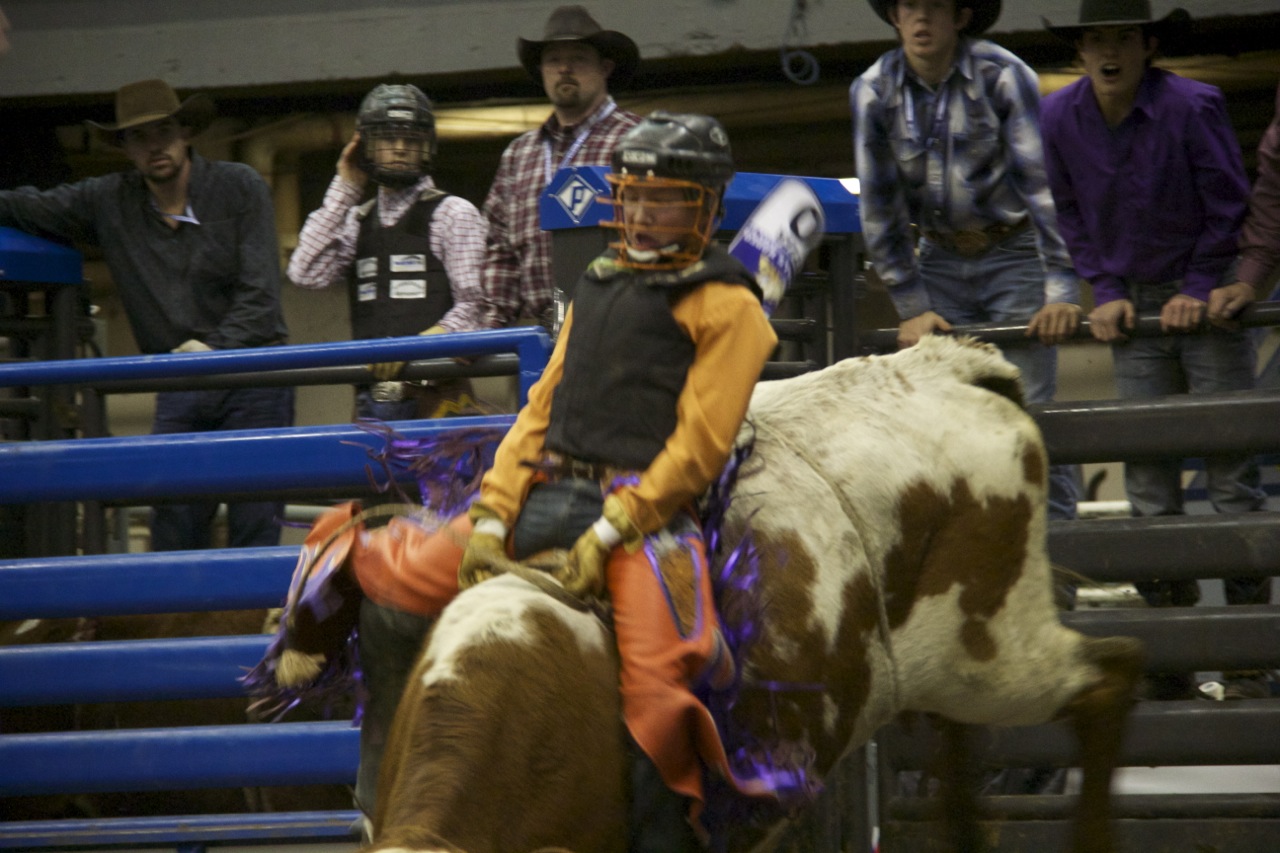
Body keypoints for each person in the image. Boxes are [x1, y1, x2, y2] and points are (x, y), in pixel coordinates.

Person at [334, 112, 777, 848]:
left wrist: (610, 531)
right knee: (383, 592)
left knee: (660, 694)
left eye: (662, 200)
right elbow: (539, 411)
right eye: (633, 196)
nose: (641, 214)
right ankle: (382, 801)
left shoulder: (731, 305)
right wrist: (490, 518)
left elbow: (698, 449)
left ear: (704, 206)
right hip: (547, 490)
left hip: (648, 520)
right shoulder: (597, 282)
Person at [1040, 1, 1270, 697]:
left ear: (1147, 46)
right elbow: (1068, 212)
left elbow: (1228, 203)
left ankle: (1249, 662)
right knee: (1148, 487)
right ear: (1081, 51)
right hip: (1133, 303)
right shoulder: (1058, 118)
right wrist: (1106, 287)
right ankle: (1171, 661)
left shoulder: (1192, 106)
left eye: (1122, 38)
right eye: (1096, 40)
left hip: (1206, 297)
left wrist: (1199, 285)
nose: (1109, 52)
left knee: (1231, 478)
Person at [0, 78, 293, 552]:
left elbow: (262, 295)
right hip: (180, 381)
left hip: (252, 375)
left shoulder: (238, 186)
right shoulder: (110, 199)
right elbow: (29, 206)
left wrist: (214, 348)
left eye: (164, 130)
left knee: (255, 522)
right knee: (173, 524)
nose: (155, 145)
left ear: (185, 133)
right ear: (125, 147)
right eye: (139, 136)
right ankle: (179, 601)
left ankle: (259, 603)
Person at [850, 0, 1082, 521]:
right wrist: (912, 305)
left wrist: (1061, 286)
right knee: (945, 417)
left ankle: (1057, 547)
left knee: (1027, 411)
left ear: (960, 16)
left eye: (935, 5)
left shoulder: (1002, 75)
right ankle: (975, 555)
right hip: (937, 258)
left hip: (1014, 253)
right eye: (909, 6)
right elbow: (879, 204)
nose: (921, 18)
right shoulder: (873, 89)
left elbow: (1041, 183)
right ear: (895, 17)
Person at [287, 83, 486, 421]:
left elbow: (476, 308)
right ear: (365, 147)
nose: (400, 149)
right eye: (387, 139)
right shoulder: (357, 219)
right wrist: (346, 188)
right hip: (372, 399)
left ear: (426, 146)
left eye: (411, 140)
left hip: (438, 396)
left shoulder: (453, 213)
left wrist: (415, 346)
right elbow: (304, 273)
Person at [478, 4, 642, 332]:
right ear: (542, 70)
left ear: (605, 68)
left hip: (618, 327)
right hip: (539, 335)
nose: (564, 68)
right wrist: (490, 331)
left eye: (578, 58)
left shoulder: (638, 141)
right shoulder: (519, 155)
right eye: (554, 60)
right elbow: (499, 249)